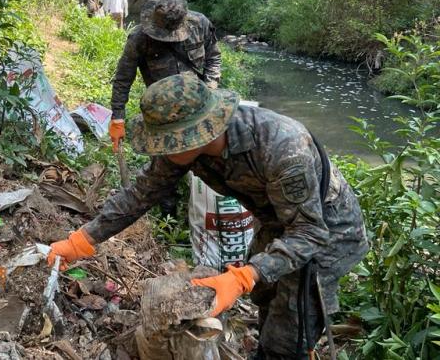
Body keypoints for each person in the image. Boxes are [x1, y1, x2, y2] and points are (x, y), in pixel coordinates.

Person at [47, 74, 368, 359]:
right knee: (267, 297)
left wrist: (243, 275)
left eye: (167, 142)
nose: (162, 151)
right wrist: (82, 240)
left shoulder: (282, 146)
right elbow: (141, 193)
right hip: (276, 221)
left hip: (327, 232)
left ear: (197, 133)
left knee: (291, 326)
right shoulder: (187, 149)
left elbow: (310, 233)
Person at [109, 0, 221, 182]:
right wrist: (118, 116)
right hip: (162, 112)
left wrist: (210, 90)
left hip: (198, 105)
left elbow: (214, 58)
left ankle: (195, 196)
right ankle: (167, 203)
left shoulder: (200, 25)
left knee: (204, 161)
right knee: (163, 168)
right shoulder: (139, 38)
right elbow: (123, 78)